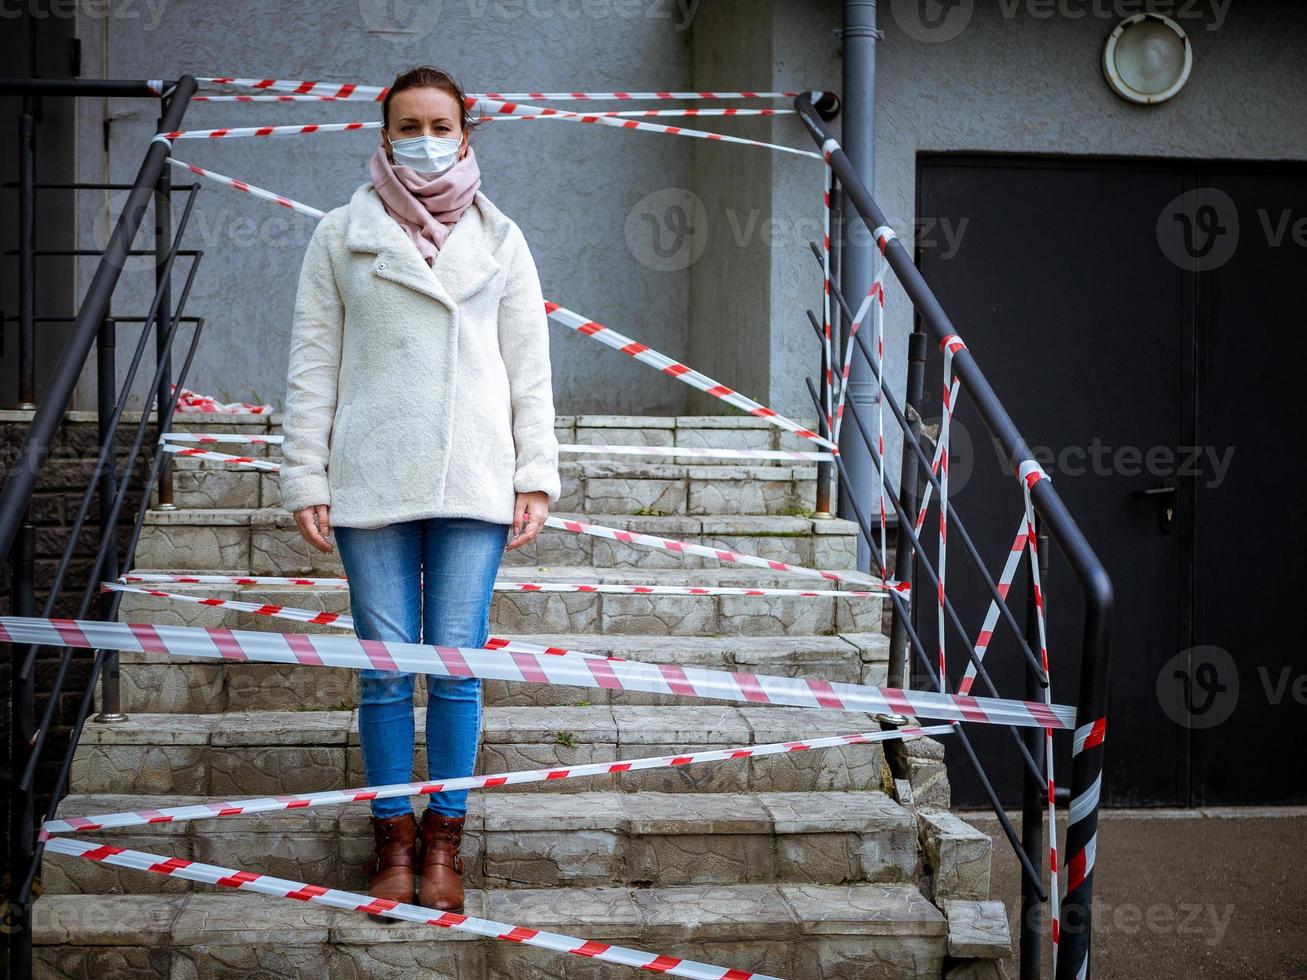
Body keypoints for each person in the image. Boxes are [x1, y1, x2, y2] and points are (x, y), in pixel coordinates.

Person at [279, 64, 560, 917]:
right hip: (372, 479)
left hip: (475, 479)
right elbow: (311, 363)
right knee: (382, 673)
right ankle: (392, 841)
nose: (426, 140)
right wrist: (304, 471)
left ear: (466, 134)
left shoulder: (503, 239)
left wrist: (535, 475)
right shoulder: (340, 234)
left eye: (441, 125)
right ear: (384, 131)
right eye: (411, 124)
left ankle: (446, 840)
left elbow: (529, 368)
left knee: (457, 668)